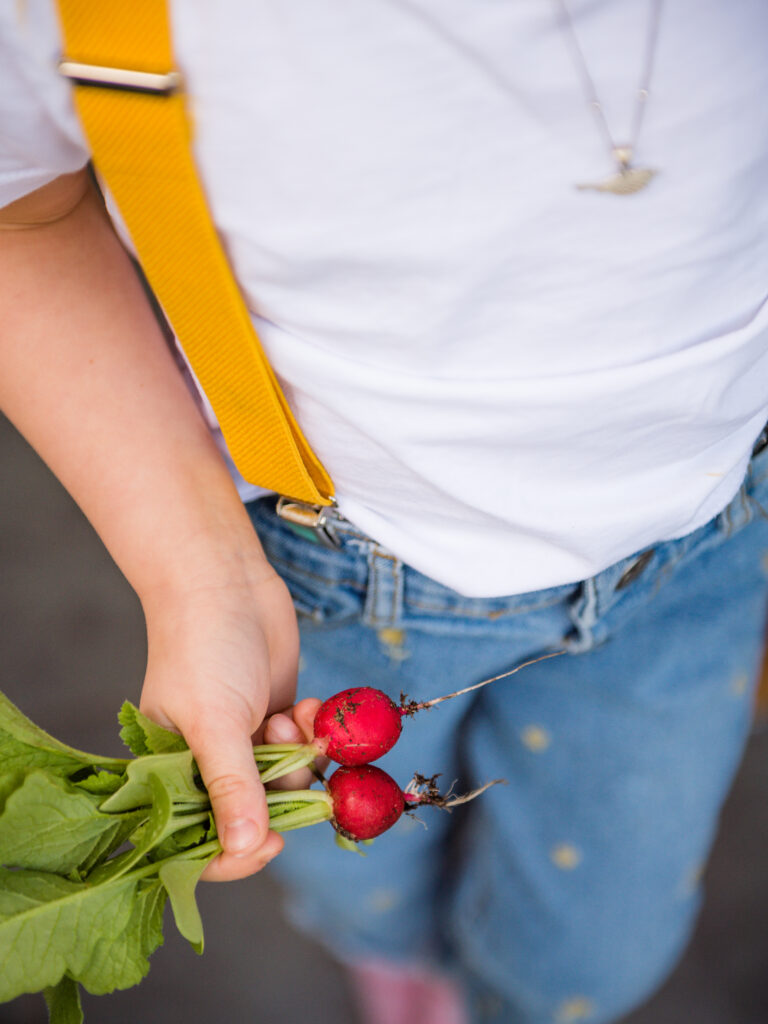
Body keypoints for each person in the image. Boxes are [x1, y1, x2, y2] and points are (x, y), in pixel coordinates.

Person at [1, 2, 767, 1022]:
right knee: (357, 881)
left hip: (708, 538)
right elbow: (26, 212)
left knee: (588, 965)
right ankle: (399, 969)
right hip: (327, 576)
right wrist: (197, 577)